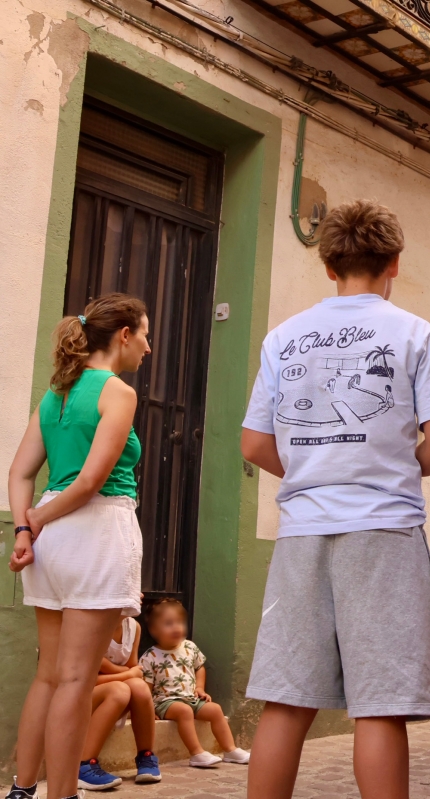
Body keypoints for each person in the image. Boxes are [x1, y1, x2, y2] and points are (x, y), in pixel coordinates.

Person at [241, 200, 430, 799]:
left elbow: (255, 441)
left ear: (328, 264)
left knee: (286, 701)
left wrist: (316, 467)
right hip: (384, 529)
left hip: (302, 530)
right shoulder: (416, 334)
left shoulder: (283, 338)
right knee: (380, 706)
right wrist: (388, 465)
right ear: (393, 262)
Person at [6, 294, 150, 799]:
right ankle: (62, 795)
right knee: (75, 680)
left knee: (48, 676)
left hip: (50, 544)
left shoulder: (55, 394)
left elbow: (20, 472)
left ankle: (22, 791)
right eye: (146, 335)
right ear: (125, 335)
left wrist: (27, 529)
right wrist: (39, 521)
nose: (149, 348)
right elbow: (92, 480)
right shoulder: (118, 392)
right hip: (94, 532)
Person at [139, 599, 249, 767]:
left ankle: (230, 749)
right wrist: (148, 709)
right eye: (169, 623)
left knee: (215, 710)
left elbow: (199, 667)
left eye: (180, 622)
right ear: (153, 630)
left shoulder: (189, 647)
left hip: (191, 698)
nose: (177, 627)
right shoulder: (150, 656)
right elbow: (145, 686)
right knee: (184, 711)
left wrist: (199, 687)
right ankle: (196, 752)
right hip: (165, 702)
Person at [76, 614, 160, 791]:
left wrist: (128, 676)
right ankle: (83, 764)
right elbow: (84, 679)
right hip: (80, 697)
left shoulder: (133, 627)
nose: (140, 595)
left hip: (111, 695)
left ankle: (146, 756)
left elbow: (133, 669)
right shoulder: (91, 625)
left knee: (139, 687)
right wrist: (126, 675)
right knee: (119, 690)